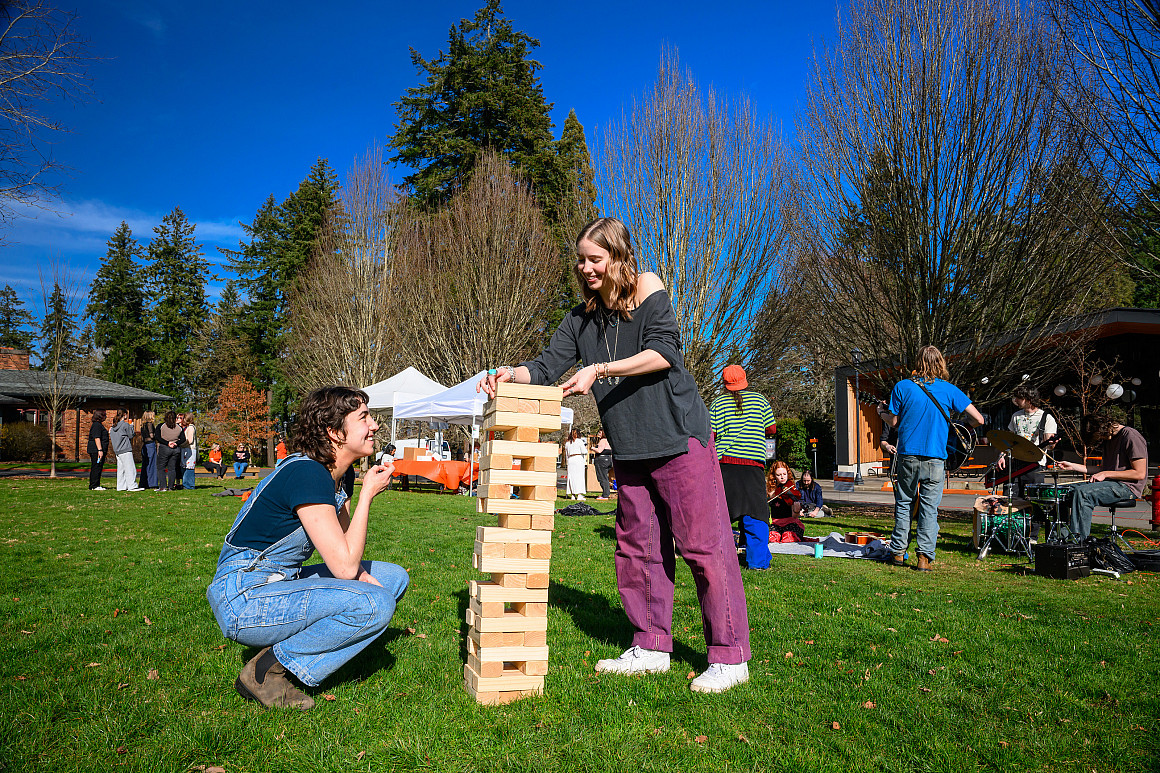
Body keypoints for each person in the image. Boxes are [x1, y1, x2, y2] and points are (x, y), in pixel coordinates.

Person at [479, 216, 751, 694]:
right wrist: (509, 372)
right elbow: (544, 368)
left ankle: (729, 657)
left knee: (703, 548)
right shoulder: (578, 321)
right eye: (581, 259)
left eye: (595, 259)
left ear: (619, 257)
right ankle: (650, 645)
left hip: (679, 439)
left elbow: (664, 352)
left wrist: (599, 370)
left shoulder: (647, 288)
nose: (586, 268)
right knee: (637, 549)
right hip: (629, 450)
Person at [206, 386, 408, 710]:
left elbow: (344, 547)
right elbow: (344, 568)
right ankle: (266, 671)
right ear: (334, 432)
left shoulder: (340, 475)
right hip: (244, 597)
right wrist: (368, 496)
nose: (374, 426)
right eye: (364, 418)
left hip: (283, 582)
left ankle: (303, 650)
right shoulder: (307, 473)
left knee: (393, 578)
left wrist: (360, 577)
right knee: (377, 604)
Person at [875, 346, 984, 572]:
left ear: (918, 362)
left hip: (908, 455)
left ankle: (897, 553)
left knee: (905, 503)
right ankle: (924, 558)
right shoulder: (949, 390)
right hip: (935, 458)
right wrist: (960, 428)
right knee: (929, 507)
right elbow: (979, 420)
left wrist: (880, 413)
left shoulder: (903, 386)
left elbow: (894, 423)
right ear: (941, 363)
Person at [709, 364, 777, 570]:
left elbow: (710, 435)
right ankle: (758, 562)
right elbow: (771, 429)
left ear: (725, 383)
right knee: (755, 514)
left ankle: (719, 560)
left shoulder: (718, 403)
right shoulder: (760, 401)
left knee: (722, 515)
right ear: (744, 380)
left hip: (724, 465)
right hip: (753, 466)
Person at [1055, 408, 1148, 540]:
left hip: (1127, 487)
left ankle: (1079, 543)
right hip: (1110, 483)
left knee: (1083, 493)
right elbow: (1102, 470)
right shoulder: (1108, 439)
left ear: (1103, 428)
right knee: (1063, 492)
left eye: (1101, 437)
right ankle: (1060, 539)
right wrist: (1073, 466)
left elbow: (1139, 473)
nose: (1102, 440)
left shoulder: (1131, 436)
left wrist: (1105, 473)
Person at [993, 385, 1057, 497]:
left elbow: (1050, 447)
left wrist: (1051, 443)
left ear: (1028, 399)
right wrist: (1001, 456)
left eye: (1018, 398)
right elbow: (1009, 440)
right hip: (1015, 463)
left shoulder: (1046, 418)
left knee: (1031, 501)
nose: (1015, 400)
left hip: (1035, 465)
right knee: (1010, 499)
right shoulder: (1016, 416)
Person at [155, 411, 187, 492]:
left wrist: (167, 443)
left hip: (164, 448)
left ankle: (163, 486)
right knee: (172, 468)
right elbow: (183, 439)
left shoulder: (161, 426)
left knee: (161, 467)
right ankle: (171, 486)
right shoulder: (179, 428)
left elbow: (157, 437)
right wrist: (176, 443)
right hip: (175, 449)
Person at [109, 410, 139, 492]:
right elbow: (131, 435)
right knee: (130, 469)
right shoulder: (125, 425)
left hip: (117, 450)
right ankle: (132, 486)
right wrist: (131, 426)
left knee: (121, 470)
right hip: (125, 449)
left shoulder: (113, 427)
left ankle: (121, 486)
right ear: (125, 415)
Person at [86, 409, 110, 491]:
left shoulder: (98, 425)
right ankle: (94, 485)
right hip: (96, 450)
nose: (106, 416)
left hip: (97, 450)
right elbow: (97, 438)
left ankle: (96, 484)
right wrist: (100, 450)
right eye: (104, 415)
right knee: (96, 467)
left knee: (98, 467)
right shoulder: (96, 425)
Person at [563, 427, 588, 500]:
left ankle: (573, 494)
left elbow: (567, 454)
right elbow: (584, 451)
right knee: (579, 477)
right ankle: (579, 494)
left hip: (571, 460)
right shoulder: (579, 441)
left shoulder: (567, 443)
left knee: (571, 477)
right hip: (578, 459)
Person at [592, 428, 613, 499]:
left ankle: (605, 495)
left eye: (600, 433)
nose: (598, 434)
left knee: (602, 477)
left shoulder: (603, 441)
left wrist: (592, 448)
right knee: (605, 477)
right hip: (609, 460)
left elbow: (599, 450)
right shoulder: (609, 440)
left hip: (601, 460)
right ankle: (606, 493)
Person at [138, 411, 157, 489]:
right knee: (152, 465)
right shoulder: (149, 424)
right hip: (150, 445)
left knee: (145, 465)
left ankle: (143, 483)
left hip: (145, 445)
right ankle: (152, 483)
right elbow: (151, 435)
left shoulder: (142, 425)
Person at [182, 415, 199, 490]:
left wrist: (181, 444)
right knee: (186, 467)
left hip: (189, 449)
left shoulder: (191, 428)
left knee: (189, 468)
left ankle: (189, 485)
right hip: (188, 449)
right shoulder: (190, 427)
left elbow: (190, 440)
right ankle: (186, 484)